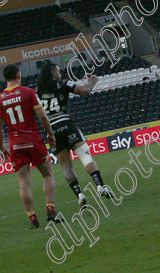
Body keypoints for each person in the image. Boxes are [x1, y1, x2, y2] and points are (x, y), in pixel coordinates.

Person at [36, 63, 114, 210]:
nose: (60, 73)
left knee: (66, 166)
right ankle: (100, 186)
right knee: (85, 157)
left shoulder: (38, 90)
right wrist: (92, 81)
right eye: (58, 71)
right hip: (66, 123)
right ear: (53, 72)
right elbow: (84, 90)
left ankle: (80, 195)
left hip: (52, 129)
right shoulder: (63, 83)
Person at [0, 64, 61, 228]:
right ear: (18, 76)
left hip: (15, 144)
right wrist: (50, 134)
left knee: (24, 183)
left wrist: (2, 147)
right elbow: (43, 117)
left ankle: (33, 219)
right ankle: (51, 211)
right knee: (48, 175)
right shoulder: (29, 93)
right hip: (33, 139)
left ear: (5, 79)